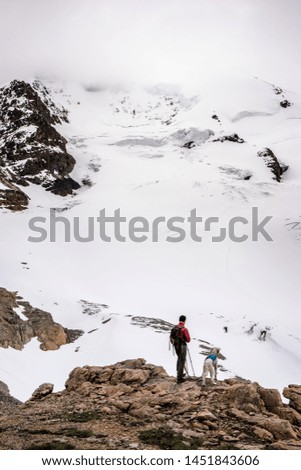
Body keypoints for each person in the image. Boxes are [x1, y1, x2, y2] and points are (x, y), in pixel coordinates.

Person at [170, 315, 191, 384]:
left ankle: (179, 373)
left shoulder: (175, 328)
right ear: (185, 320)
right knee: (182, 360)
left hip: (176, 346)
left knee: (179, 359)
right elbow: (188, 339)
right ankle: (180, 378)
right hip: (182, 346)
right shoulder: (184, 329)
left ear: (179, 320)